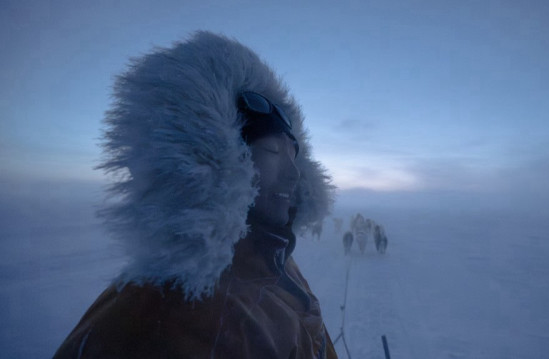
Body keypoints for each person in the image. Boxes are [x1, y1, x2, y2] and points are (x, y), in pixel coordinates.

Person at [53, 31, 337, 358]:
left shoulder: (273, 262)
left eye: (294, 154)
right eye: (273, 151)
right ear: (214, 163)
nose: (295, 173)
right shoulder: (163, 324)